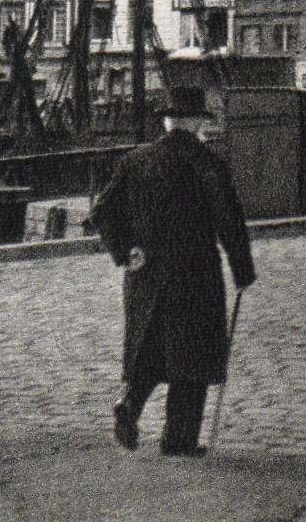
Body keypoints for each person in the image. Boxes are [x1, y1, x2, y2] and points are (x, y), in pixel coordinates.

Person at [91, 108, 256, 456]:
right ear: (197, 123)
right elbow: (229, 219)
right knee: (190, 358)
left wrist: (125, 251)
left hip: (145, 275)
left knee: (150, 348)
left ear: (166, 124)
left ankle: (130, 403)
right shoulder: (206, 162)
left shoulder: (135, 160)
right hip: (193, 275)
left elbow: (102, 210)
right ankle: (178, 440)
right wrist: (242, 270)